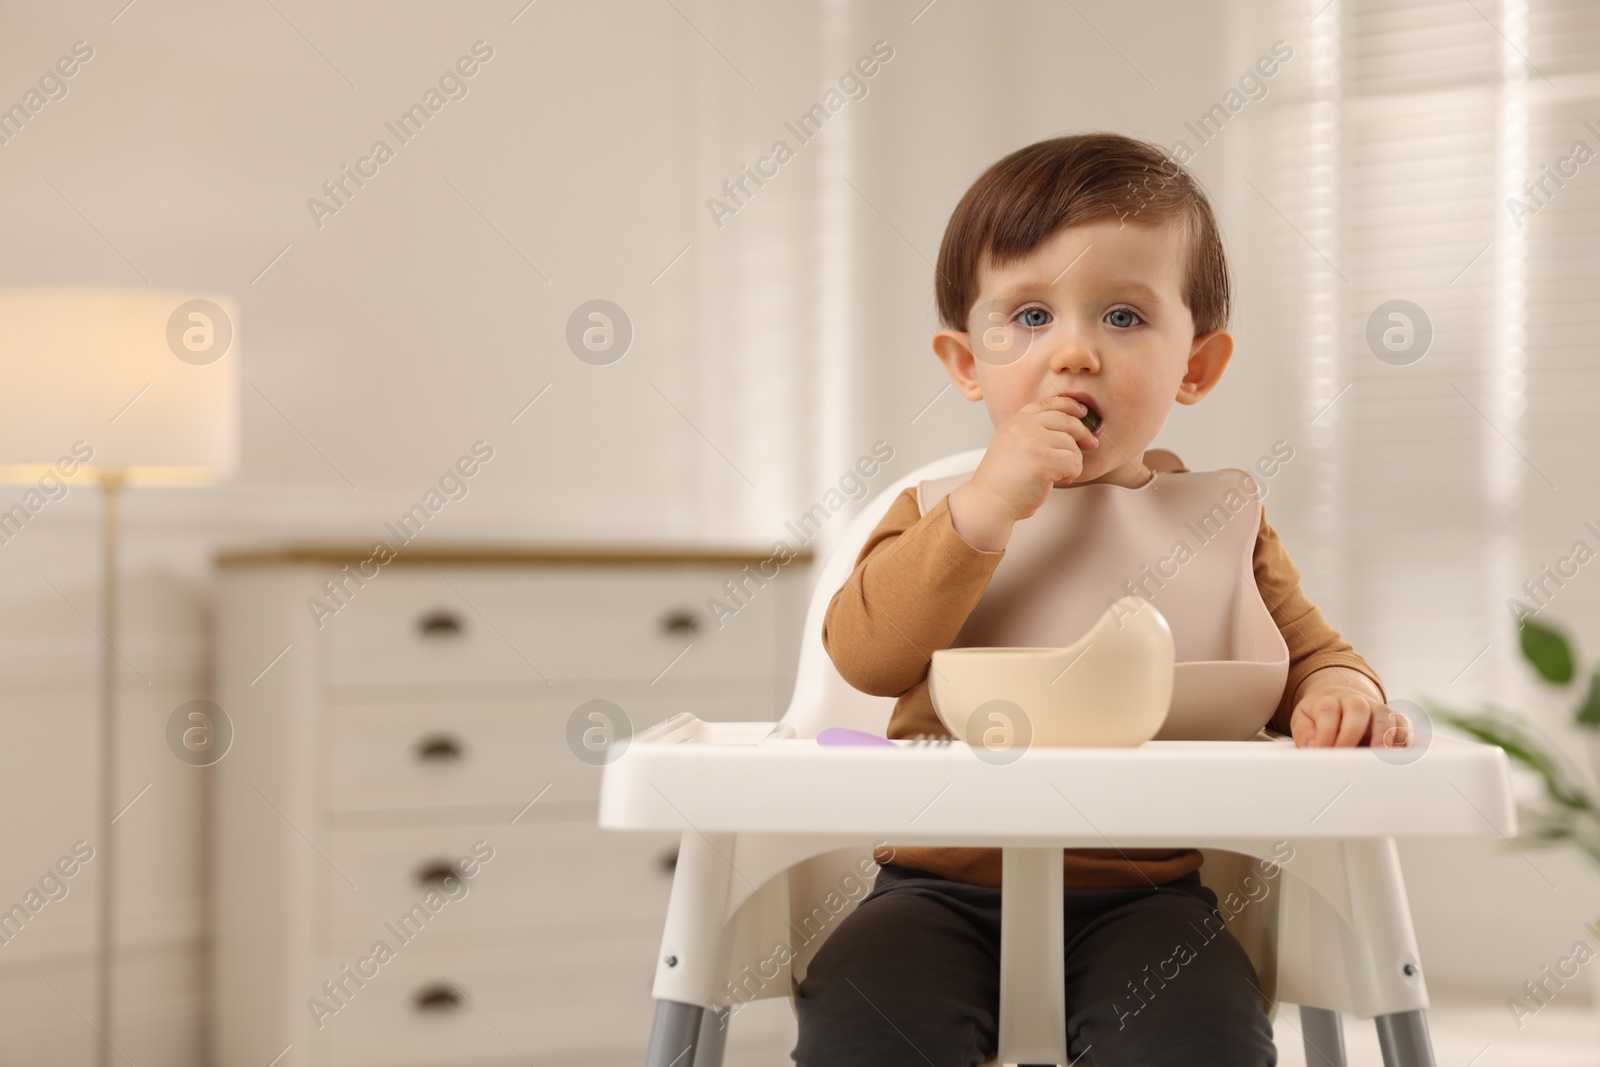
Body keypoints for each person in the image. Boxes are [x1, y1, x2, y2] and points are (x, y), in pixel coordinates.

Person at [792, 132, 1410, 1067]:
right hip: (938, 882)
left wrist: (1343, 693)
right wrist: (983, 512)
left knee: (1200, 1036)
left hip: (1145, 891)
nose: (1073, 351)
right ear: (967, 363)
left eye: (1122, 317)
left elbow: (1310, 652)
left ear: (1195, 366)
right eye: (1030, 316)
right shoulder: (930, 515)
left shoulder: (1221, 521)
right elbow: (866, 655)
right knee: (863, 1017)